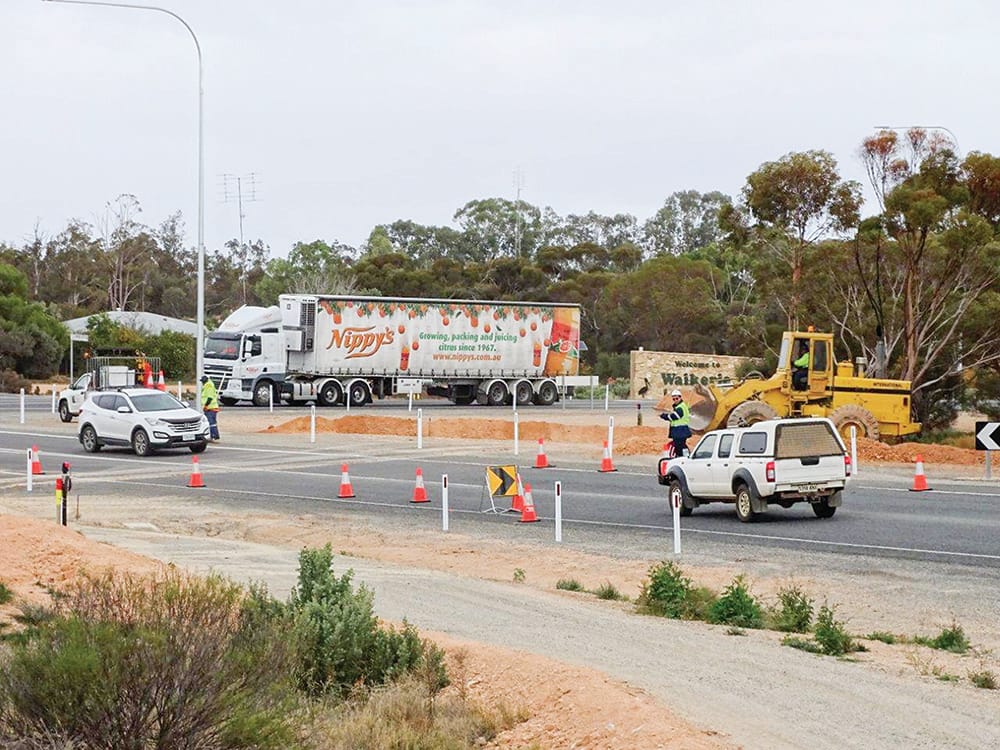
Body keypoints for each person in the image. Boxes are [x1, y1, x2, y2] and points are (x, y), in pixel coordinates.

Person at [659, 389, 692, 457]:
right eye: (673, 399)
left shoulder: (680, 408)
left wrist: (664, 416)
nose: (675, 400)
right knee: (681, 446)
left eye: (677, 398)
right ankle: (685, 457)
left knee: (679, 446)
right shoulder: (680, 406)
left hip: (680, 431)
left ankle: (683, 458)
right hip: (680, 431)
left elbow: (674, 417)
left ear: (680, 397)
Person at [200, 375, 221, 441]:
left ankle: (213, 435)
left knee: (210, 422)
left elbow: (209, 397)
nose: (202, 383)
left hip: (210, 407)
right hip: (211, 407)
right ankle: (214, 435)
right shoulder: (208, 385)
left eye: (202, 381)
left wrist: (206, 406)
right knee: (212, 422)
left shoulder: (208, 386)